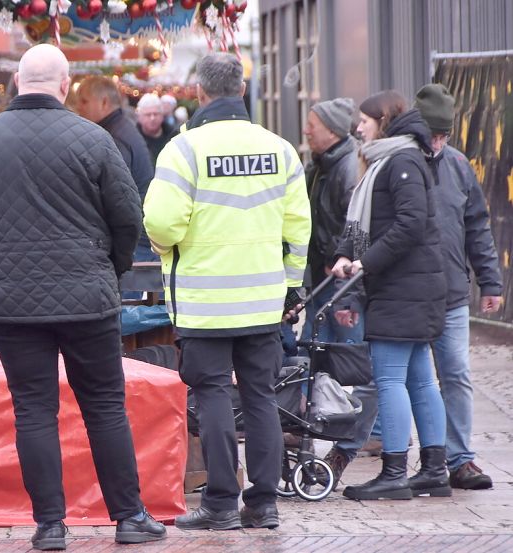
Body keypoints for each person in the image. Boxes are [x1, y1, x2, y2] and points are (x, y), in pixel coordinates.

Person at [0, 43, 166, 550]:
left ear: (19, 83)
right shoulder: (93, 139)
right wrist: (108, 269)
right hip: (88, 296)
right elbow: (127, 216)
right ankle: (129, 517)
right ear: (65, 85)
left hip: (10, 301)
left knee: (33, 409)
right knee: (106, 406)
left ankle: (50, 526)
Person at [144, 52, 311, 531]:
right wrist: (291, 284)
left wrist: (165, 245)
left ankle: (220, 503)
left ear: (199, 92)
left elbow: (160, 223)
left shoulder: (184, 150)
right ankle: (264, 504)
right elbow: (300, 228)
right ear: (242, 90)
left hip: (204, 303)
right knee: (260, 398)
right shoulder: (280, 150)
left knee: (213, 395)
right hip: (262, 300)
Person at [331, 90, 448, 501]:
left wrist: (366, 263)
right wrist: (346, 254)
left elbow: (410, 223)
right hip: (411, 287)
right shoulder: (397, 158)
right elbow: (371, 222)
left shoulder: (400, 161)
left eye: (365, 120)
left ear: (384, 120)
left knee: (390, 379)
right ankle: (434, 469)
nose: (358, 127)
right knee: (419, 380)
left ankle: (395, 470)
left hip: (403, 288)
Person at [414, 83, 503, 490]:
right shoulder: (400, 163)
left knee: (456, 374)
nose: (437, 141)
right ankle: (413, 454)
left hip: (450, 292)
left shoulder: (458, 166)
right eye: (432, 133)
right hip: (409, 295)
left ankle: (460, 458)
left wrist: (490, 280)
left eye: (443, 135)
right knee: (406, 379)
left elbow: (477, 227)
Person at [299, 98, 376, 486]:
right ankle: (314, 452)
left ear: (331, 129)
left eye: (312, 124)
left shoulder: (346, 169)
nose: (306, 129)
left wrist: (347, 298)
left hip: (341, 293)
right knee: (315, 369)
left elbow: (354, 235)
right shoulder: (320, 166)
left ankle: (345, 449)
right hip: (323, 290)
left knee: (354, 372)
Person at [75, 75, 156, 262]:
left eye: (84, 101)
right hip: (137, 240)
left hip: (134, 245)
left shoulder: (114, 138)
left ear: (104, 102)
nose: (78, 107)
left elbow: (116, 196)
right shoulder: (119, 129)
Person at [136, 93, 179, 165]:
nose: (152, 118)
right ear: (139, 117)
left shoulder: (173, 136)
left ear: (162, 115)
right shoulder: (134, 139)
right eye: (148, 115)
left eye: (156, 114)